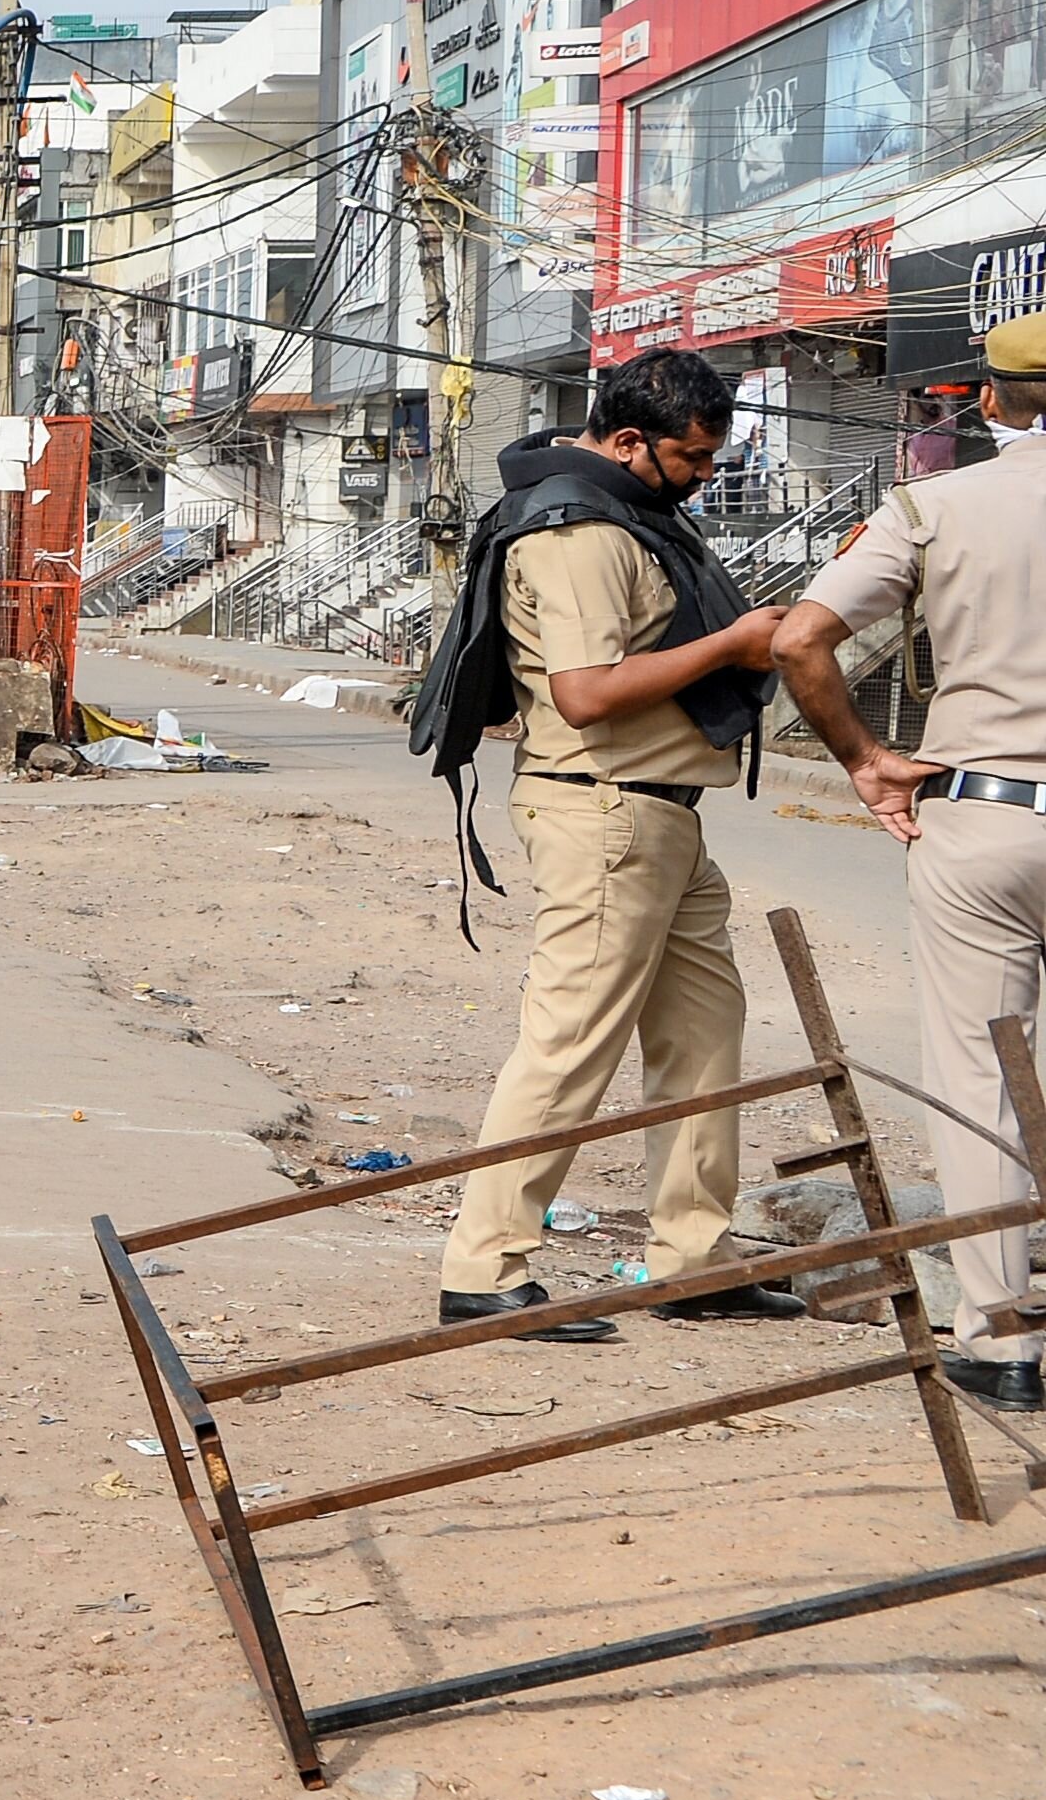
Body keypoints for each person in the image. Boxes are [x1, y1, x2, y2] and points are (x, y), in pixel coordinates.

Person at [424, 349, 800, 1342]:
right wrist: (730, 646)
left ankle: (691, 1259)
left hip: (660, 813)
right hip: (602, 810)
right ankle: (483, 1269)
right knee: (567, 1043)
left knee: (703, 1035)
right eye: (691, 457)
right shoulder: (576, 531)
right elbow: (585, 693)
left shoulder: (631, 515)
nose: (702, 475)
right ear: (627, 440)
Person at [770, 310, 1046, 1408]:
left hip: (981, 819)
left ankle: (1001, 1342)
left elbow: (798, 638)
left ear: (987, 400)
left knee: (980, 1074)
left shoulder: (932, 507)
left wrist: (865, 760)